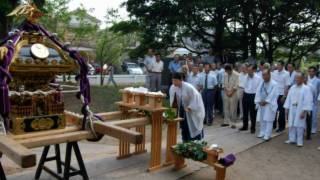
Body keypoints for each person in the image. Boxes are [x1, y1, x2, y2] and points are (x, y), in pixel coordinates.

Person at [169, 73, 205, 142]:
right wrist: (173, 110)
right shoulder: (172, 87)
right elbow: (173, 100)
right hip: (183, 110)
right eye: (173, 80)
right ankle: (185, 141)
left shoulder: (188, 87)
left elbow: (196, 97)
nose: (174, 83)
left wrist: (190, 107)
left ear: (181, 80)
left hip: (193, 110)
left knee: (192, 126)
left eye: (175, 81)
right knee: (183, 126)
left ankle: (195, 143)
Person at [284, 72, 313, 147]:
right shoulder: (292, 87)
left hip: (300, 109)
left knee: (300, 125)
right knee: (291, 123)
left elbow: (308, 100)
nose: (296, 80)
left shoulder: (306, 89)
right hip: (292, 108)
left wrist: (304, 112)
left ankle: (299, 141)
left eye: (298, 78)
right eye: (296, 78)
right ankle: (292, 139)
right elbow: (288, 98)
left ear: (303, 79)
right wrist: (287, 108)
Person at [255, 69, 279, 141]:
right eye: (263, 75)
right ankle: (262, 132)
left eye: (265, 75)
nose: (264, 76)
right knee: (262, 119)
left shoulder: (274, 84)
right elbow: (258, 92)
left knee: (268, 119)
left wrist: (266, 101)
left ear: (269, 75)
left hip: (269, 105)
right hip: (261, 104)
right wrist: (258, 101)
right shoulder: (261, 83)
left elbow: (274, 95)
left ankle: (267, 134)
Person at [240, 64, 261, 133]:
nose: (248, 72)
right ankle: (245, 126)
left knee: (253, 113)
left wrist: (258, 99)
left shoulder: (258, 78)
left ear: (254, 70)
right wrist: (243, 95)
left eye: (250, 70)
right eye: (248, 70)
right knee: (245, 112)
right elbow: (243, 87)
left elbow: (259, 89)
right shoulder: (246, 77)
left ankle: (253, 127)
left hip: (253, 96)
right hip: (246, 95)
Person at [272, 60, 290, 132]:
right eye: (277, 65)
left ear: (282, 66)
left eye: (279, 65)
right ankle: (273, 125)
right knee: (274, 110)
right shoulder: (274, 72)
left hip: (282, 94)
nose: (278, 66)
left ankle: (281, 126)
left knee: (281, 111)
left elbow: (287, 85)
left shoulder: (286, 73)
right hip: (274, 94)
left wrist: (284, 96)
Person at [221, 64, 239, 128]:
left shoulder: (237, 75)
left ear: (230, 69)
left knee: (233, 108)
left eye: (228, 71)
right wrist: (226, 92)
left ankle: (233, 123)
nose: (227, 72)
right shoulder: (225, 75)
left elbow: (236, 85)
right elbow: (223, 84)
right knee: (225, 108)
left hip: (233, 93)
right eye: (226, 71)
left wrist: (231, 92)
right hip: (226, 93)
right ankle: (226, 122)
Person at [307, 66, 320, 134]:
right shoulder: (306, 79)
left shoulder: (318, 81)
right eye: (309, 71)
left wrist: (317, 99)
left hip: (314, 100)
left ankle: (313, 128)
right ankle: (307, 127)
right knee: (307, 115)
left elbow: (318, 91)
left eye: (312, 71)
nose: (311, 73)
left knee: (314, 115)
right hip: (306, 100)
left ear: (315, 72)